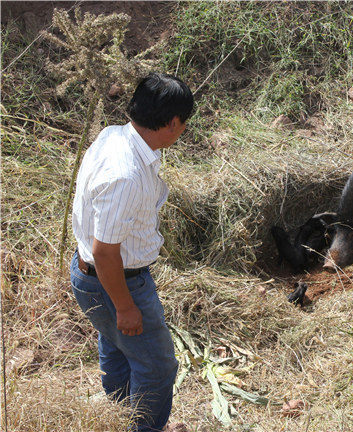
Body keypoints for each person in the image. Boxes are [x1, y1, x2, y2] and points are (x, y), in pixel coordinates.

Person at [69, 73, 194, 432]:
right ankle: (145, 428)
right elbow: (106, 252)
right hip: (115, 280)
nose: (183, 130)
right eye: (184, 124)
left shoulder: (115, 135)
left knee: (116, 346)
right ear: (172, 123)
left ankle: (119, 416)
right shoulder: (126, 174)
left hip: (92, 276)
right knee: (156, 367)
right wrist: (125, 307)